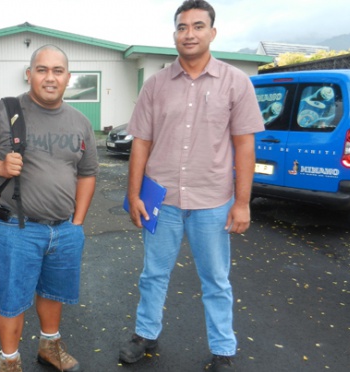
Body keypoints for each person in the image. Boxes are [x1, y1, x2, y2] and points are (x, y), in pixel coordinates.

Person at [118, 1, 264, 371]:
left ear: (212, 33)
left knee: (215, 280)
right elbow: (141, 143)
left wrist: (242, 202)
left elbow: (245, 144)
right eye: (183, 27)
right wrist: (134, 195)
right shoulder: (156, 85)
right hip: (161, 199)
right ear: (174, 34)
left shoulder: (236, 82)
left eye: (198, 26)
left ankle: (223, 350)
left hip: (213, 201)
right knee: (153, 274)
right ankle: (145, 335)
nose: (190, 34)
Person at [0, 44, 98, 372]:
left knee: (53, 293)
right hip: (17, 230)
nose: (50, 78)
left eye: (57, 71)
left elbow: (88, 173)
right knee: (12, 299)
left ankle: (50, 348)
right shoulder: (6, 111)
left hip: (64, 229)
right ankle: (10, 361)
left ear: (68, 77)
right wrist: (0, 167)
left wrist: (77, 222)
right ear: (29, 73)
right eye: (42, 70)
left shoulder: (80, 122)